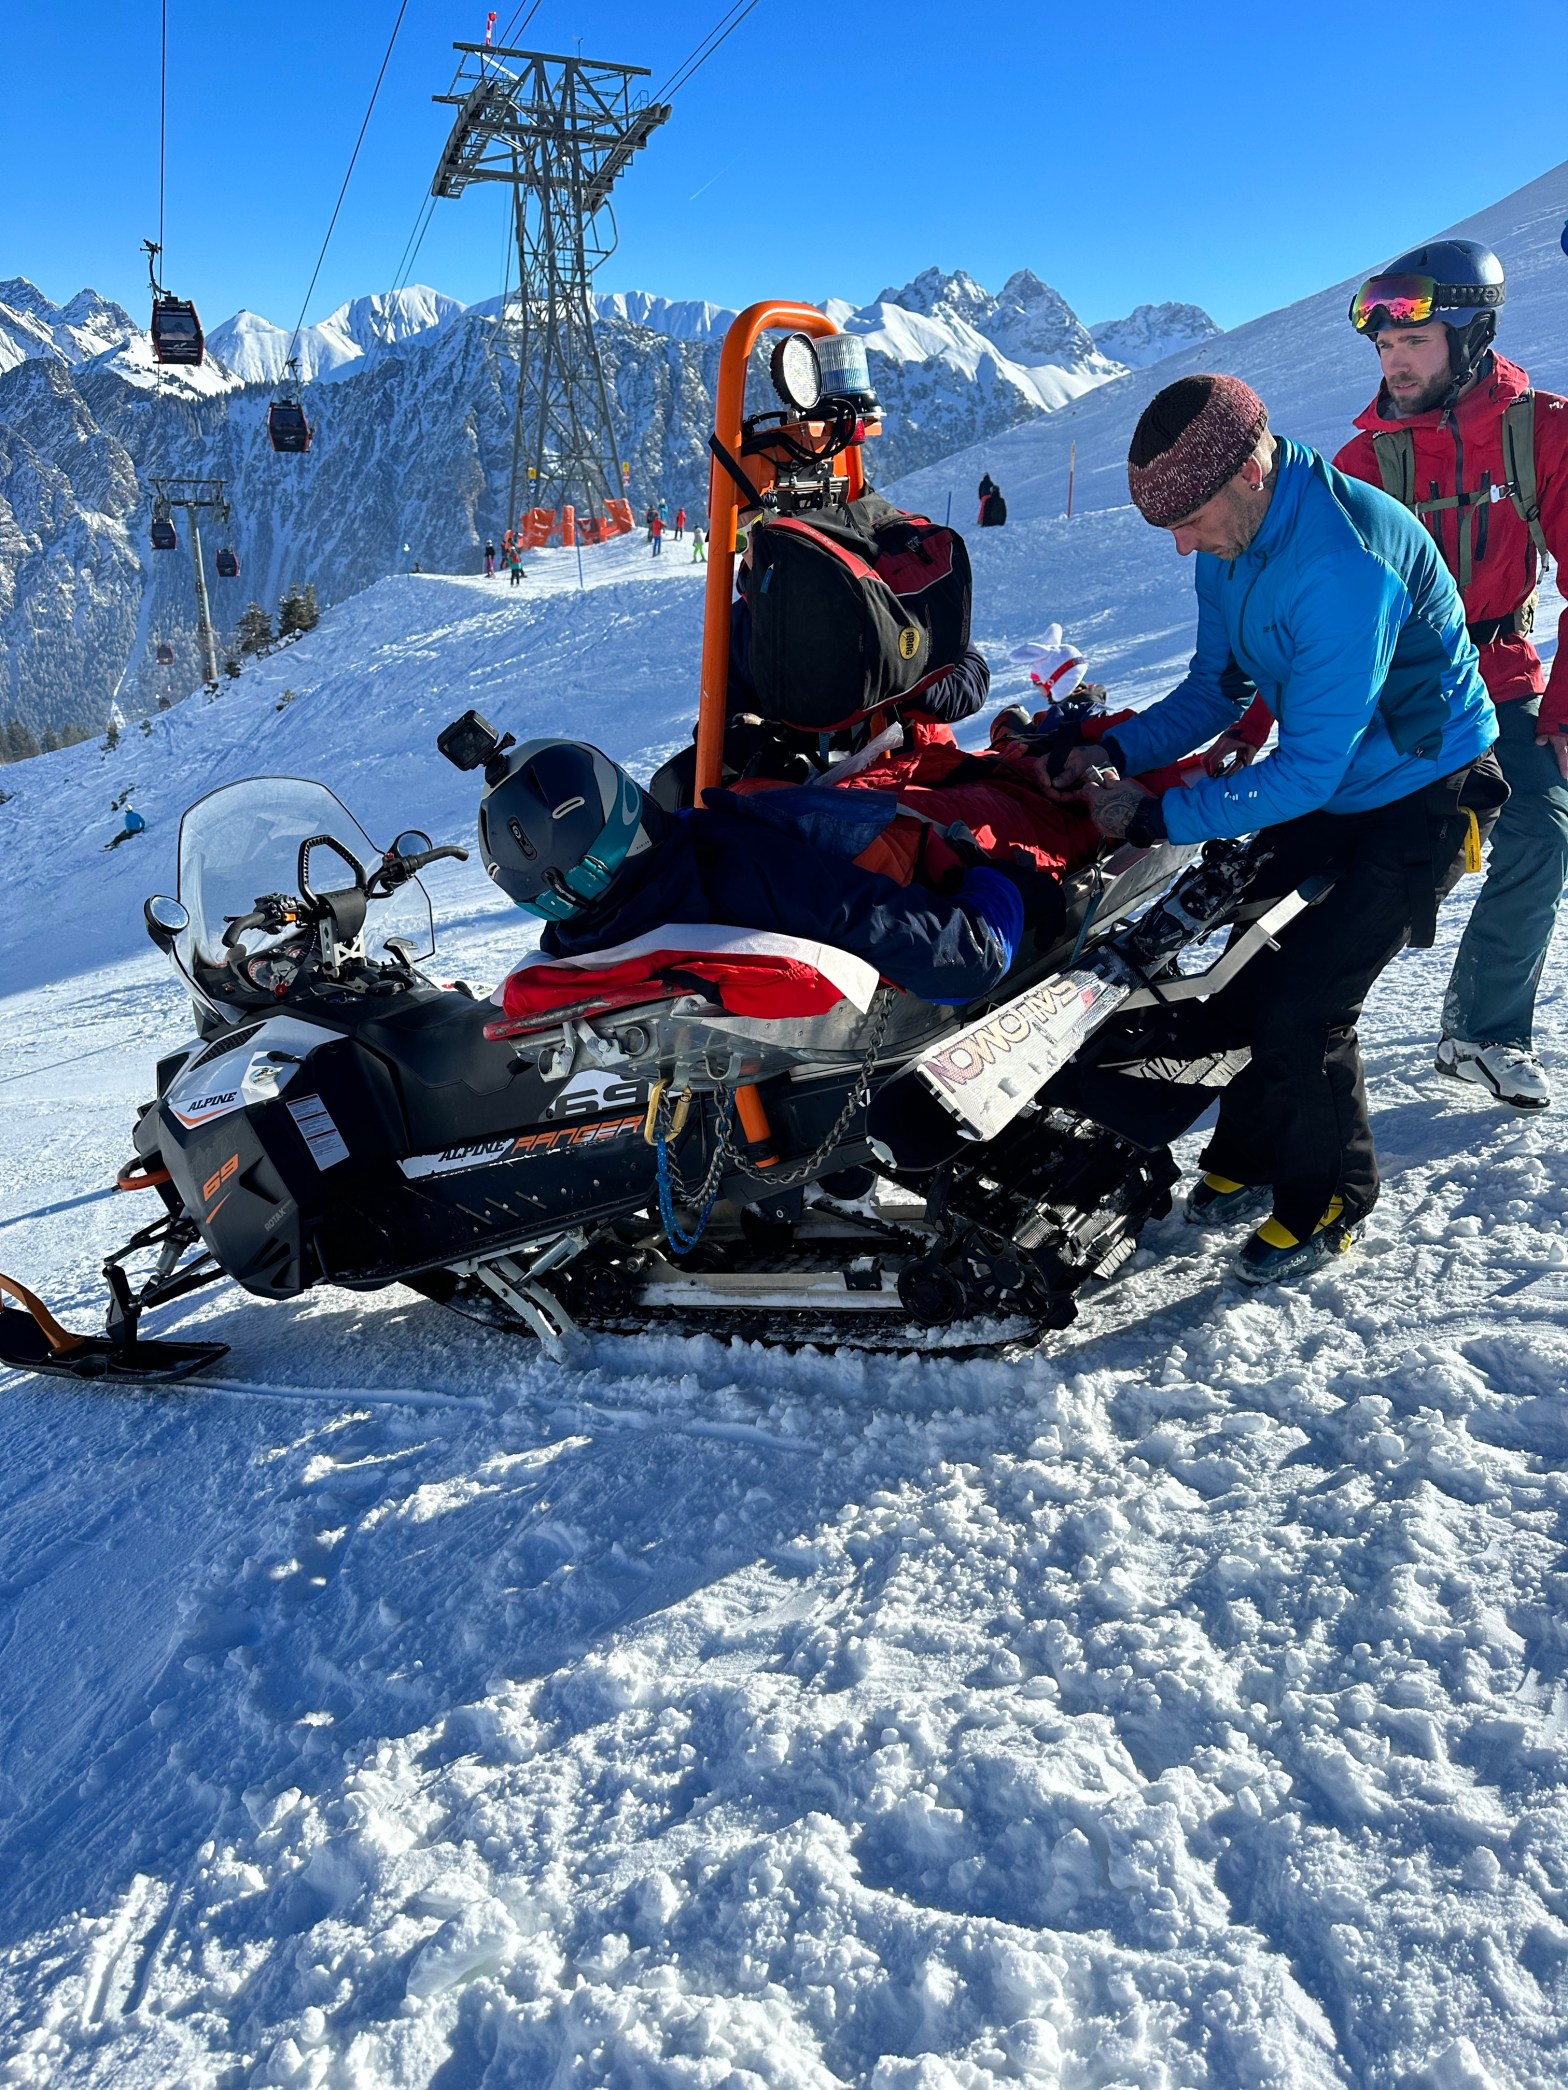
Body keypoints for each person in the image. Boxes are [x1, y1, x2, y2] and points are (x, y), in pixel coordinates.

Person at [1047, 372, 1502, 1284]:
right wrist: (1113, 749)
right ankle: (1253, 1157)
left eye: (1189, 520)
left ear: (1250, 473)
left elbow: (1306, 770)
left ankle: (1330, 1197)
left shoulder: (1341, 563)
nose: (1182, 546)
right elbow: (1217, 689)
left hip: (1422, 792)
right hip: (1338, 781)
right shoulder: (1234, 540)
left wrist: (1162, 814)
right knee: (1246, 969)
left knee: (1309, 1005)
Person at [1334, 240, 1568, 1111]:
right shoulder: (1363, 466)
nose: (1394, 363)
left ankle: (1482, 1033)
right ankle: (1283, 1026)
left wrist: (1564, 715)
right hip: (1399, 691)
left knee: (1544, 828)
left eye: (1415, 342)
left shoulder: (1542, 431)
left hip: (1500, 675)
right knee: (1344, 855)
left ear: (1471, 336)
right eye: (1385, 346)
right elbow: (1311, 612)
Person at [476, 739, 1036, 1006]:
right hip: (933, 842)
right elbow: (964, 961)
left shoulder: (571, 951)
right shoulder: (748, 871)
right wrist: (1000, 885)